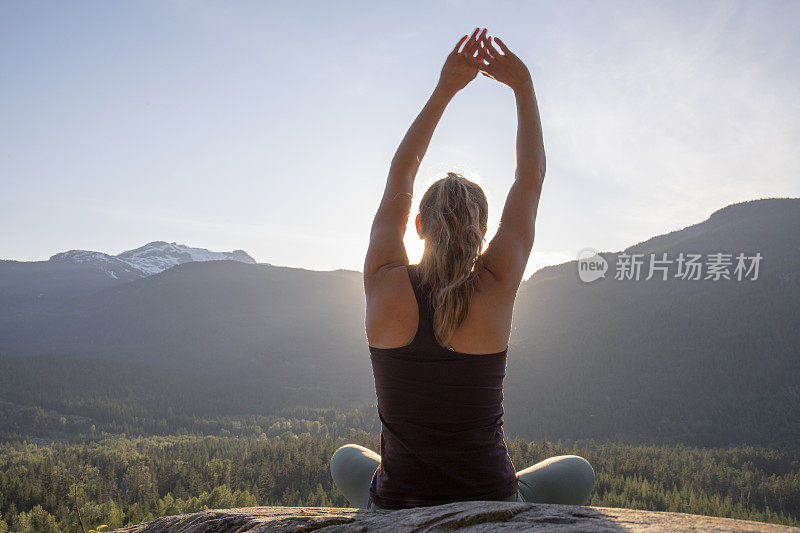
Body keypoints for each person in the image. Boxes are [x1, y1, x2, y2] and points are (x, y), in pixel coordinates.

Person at [330, 27, 595, 510]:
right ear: (485, 232)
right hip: (491, 499)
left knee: (345, 458)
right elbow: (530, 179)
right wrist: (523, 86)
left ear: (416, 224)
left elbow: (401, 176)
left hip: (396, 503)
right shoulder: (495, 287)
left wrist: (444, 90)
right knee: (578, 470)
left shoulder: (384, 278)